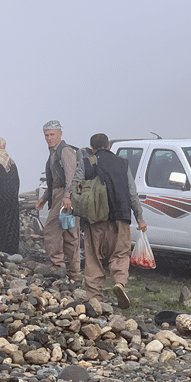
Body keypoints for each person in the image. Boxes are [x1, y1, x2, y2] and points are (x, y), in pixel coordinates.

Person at [82, 133, 147, 308]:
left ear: (92, 148)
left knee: (94, 258)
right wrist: (140, 218)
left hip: (96, 219)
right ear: (108, 145)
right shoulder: (123, 163)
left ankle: (95, 297)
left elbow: (77, 188)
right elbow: (132, 193)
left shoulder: (87, 163)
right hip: (121, 217)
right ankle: (119, 282)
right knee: (120, 254)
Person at [36, 120, 83, 281]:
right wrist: (44, 198)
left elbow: (71, 176)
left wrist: (67, 196)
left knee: (52, 229)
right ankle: (74, 272)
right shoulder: (54, 152)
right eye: (46, 135)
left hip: (65, 196)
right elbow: (54, 179)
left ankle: (58, 266)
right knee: (69, 231)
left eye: (52, 134)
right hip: (60, 195)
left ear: (60, 134)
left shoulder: (65, 151)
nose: (49, 138)